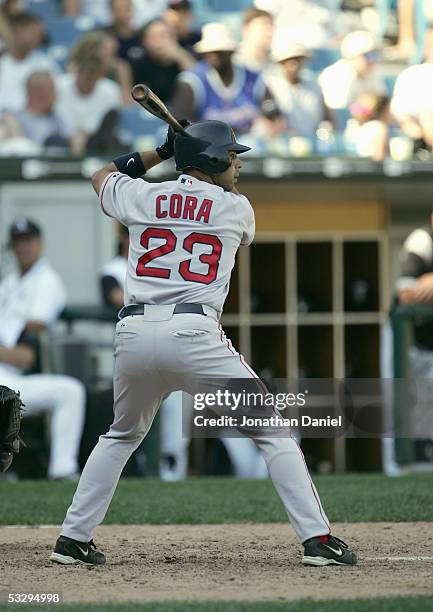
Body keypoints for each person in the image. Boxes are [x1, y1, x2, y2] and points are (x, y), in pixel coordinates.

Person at [50, 120, 357, 567]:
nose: (237, 163)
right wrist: (182, 154)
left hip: (134, 334)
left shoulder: (143, 194)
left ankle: (72, 540)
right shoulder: (237, 209)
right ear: (210, 159)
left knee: (120, 435)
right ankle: (318, 539)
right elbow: (215, 215)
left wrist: (159, 151)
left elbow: (100, 175)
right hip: (194, 335)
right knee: (273, 432)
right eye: (230, 155)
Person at [0, 219, 85, 479]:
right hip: (7, 375)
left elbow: (27, 349)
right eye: (18, 242)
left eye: (28, 241)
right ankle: (62, 470)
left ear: (39, 243)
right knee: (71, 392)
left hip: (10, 373)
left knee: (70, 391)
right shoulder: (9, 282)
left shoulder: (46, 282)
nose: (23, 247)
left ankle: (61, 470)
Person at [171, 23, 267, 135]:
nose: (213, 55)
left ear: (232, 51)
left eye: (219, 50)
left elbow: (272, 117)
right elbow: (180, 125)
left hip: (251, 147)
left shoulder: (254, 79)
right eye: (209, 51)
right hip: (207, 147)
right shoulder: (192, 81)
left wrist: (266, 122)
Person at [55, 55, 123, 155]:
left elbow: (110, 124)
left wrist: (84, 135)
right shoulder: (59, 86)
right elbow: (57, 117)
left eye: (91, 78)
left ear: (99, 76)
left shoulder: (111, 90)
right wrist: (75, 136)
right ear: (76, 73)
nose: (87, 81)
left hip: (97, 140)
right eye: (84, 76)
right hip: (64, 138)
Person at [264, 38, 329, 141]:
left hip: (313, 143)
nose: (295, 64)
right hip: (284, 144)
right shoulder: (272, 86)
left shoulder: (314, 85)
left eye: (298, 59)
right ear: (281, 63)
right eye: (289, 60)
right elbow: (270, 121)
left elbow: (327, 116)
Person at [0, 11, 58, 114]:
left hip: (32, 120)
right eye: (33, 33)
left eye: (40, 34)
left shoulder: (44, 64)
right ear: (16, 31)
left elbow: (55, 96)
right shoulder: (3, 59)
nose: (38, 38)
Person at [130, 18, 195, 105]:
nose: (163, 41)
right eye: (155, 37)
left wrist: (180, 56)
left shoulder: (186, 55)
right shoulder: (138, 65)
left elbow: (198, 84)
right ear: (144, 41)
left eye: (167, 35)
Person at [319, 30, 387, 111]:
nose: (372, 59)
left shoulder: (374, 72)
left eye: (374, 54)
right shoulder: (336, 74)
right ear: (352, 56)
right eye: (367, 55)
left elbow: (381, 103)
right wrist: (365, 103)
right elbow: (339, 111)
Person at [0, 71, 67, 149]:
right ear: (37, 93)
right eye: (52, 89)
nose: (56, 94)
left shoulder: (56, 120)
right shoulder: (12, 119)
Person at [390, 31, 433, 151]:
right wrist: (410, 124)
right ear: (426, 49)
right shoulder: (411, 74)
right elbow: (398, 111)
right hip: (417, 134)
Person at [69, 31, 133, 106]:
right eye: (107, 53)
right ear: (92, 50)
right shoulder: (77, 69)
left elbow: (127, 104)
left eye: (113, 53)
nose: (111, 58)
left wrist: (122, 73)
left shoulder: (119, 70)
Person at [102, 0, 142, 65]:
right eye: (119, 9)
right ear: (111, 11)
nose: (123, 13)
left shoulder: (141, 36)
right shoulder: (102, 36)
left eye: (127, 8)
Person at [236, 7, 274, 72]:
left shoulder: (275, 62)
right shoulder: (233, 61)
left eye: (271, 25)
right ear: (246, 29)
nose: (270, 32)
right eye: (264, 25)